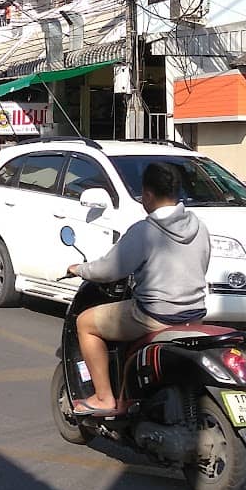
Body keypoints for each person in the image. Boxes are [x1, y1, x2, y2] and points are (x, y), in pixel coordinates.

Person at [65, 163, 210, 417]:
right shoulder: (199, 227)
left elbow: (109, 270)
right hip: (194, 315)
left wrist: (80, 269)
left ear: (150, 195)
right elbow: (202, 264)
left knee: (86, 323)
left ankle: (103, 397)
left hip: (154, 317)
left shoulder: (145, 231)